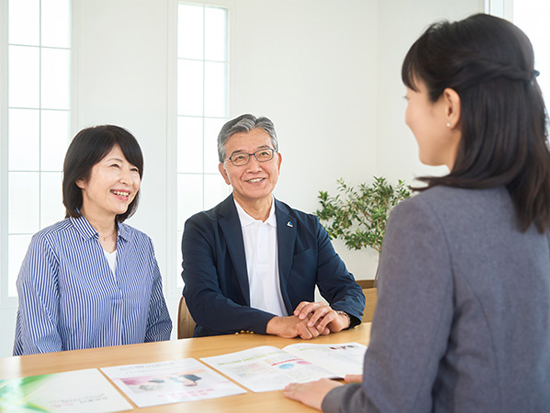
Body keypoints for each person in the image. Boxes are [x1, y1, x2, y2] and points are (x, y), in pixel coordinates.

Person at [284, 13, 550, 412]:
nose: (407, 114)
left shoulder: (425, 221)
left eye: (410, 96)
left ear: (449, 105)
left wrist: (335, 396)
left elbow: (389, 406)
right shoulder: (538, 206)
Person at [181, 114, 365, 338]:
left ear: (278, 162)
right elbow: (204, 303)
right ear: (224, 173)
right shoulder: (202, 228)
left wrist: (340, 316)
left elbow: (346, 287)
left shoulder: (308, 226)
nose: (254, 166)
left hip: (295, 350)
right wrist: (277, 324)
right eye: (240, 158)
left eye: (263, 154)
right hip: (227, 348)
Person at [13, 125, 172, 355]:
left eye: (134, 169)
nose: (128, 180)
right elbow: (40, 344)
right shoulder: (48, 245)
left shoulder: (142, 246)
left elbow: (157, 326)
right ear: (80, 177)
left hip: (134, 384)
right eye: (115, 166)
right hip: (70, 387)